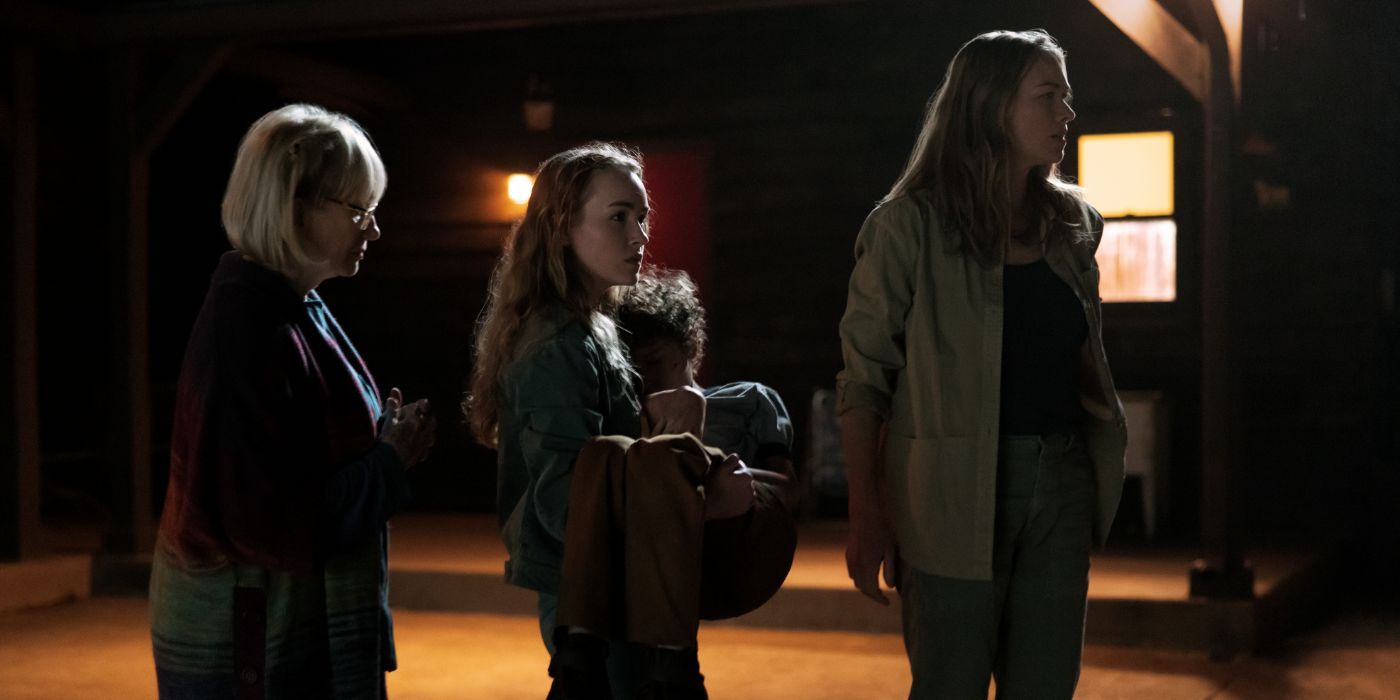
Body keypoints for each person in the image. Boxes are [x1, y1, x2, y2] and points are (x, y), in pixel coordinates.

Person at [837, 30, 1128, 699]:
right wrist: (867, 514)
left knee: (1047, 686)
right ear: (992, 104)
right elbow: (864, 381)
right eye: (1048, 96)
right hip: (947, 489)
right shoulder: (906, 227)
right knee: (950, 684)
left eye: (1067, 95)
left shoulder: (1074, 223)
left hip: (1060, 481)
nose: (1066, 113)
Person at [149, 103, 436, 698]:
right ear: (296, 204)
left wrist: (379, 441)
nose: (375, 229)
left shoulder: (293, 305)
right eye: (361, 210)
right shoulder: (248, 331)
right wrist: (387, 461)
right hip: (252, 646)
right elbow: (267, 520)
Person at [467, 143, 757, 699]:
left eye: (642, 217)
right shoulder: (557, 344)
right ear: (561, 226)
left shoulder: (593, 324)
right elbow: (565, 507)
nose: (639, 236)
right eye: (618, 217)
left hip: (620, 580)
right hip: (594, 598)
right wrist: (696, 498)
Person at [617, 267, 798, 619]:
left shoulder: (748, 402)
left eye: (654, 361)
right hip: (656, 564)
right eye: (634, 369)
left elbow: (787, 490)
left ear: (688, 347)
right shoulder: (628, 415)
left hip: (732, 558)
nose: (647, 378)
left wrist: (734, 485)